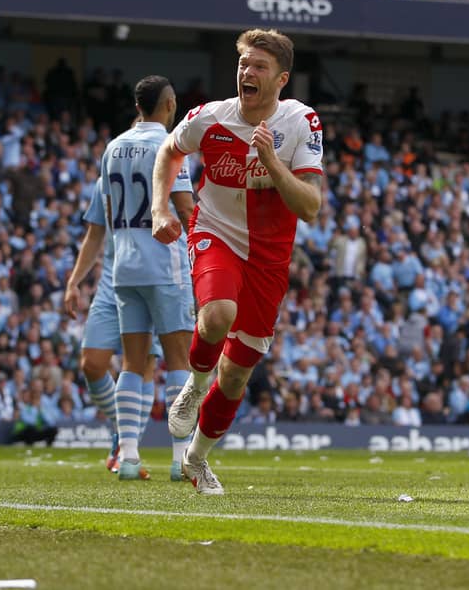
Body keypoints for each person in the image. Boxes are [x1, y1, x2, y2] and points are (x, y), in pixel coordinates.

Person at [152, 29, 323, 494]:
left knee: (239, 372)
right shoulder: (209, 117)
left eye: (259, 66)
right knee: (218, 314)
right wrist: (161, 207)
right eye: (245, 63)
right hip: (215, 233)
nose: (247, 71)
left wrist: (271, 161)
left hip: (269, 256)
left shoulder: (301, 122)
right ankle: (192, 385)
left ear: (281, 78)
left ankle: (197, 459)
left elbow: (310, 206)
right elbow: (169, 151)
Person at [101, 75, 196, 481]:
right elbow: (186, 209)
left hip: (124, 263)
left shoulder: (112, 147)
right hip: (164, 264)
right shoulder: (170, 145)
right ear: (170, 103)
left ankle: (129, 457)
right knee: (180, 360)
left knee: (132, 364)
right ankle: (179, 460)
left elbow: (108, 211)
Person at [64, 172, 157, 479]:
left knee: (143, 364)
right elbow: (94, 235)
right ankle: (122, 429)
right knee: (92, 363)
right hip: (110, 283)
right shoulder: (108, 180)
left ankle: (128, 450)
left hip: (151, 279)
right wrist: (74, 281)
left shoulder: (166, 174)